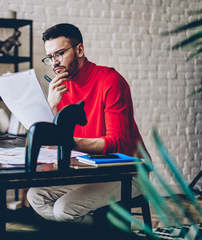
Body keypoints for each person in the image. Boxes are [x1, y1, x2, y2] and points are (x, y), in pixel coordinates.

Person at [27, 23, 149, 225]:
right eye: (50, 57)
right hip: (90, 169)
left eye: (59, 54)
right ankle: (93, 231)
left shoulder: (110, 81)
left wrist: (68, 142)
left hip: (128, 172)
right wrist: (52, 106)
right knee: (35, 196)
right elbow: (51, 145)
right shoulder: (61, 87)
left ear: (80, 50)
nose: (54, 63)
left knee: (64, 209)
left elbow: (116, 142)